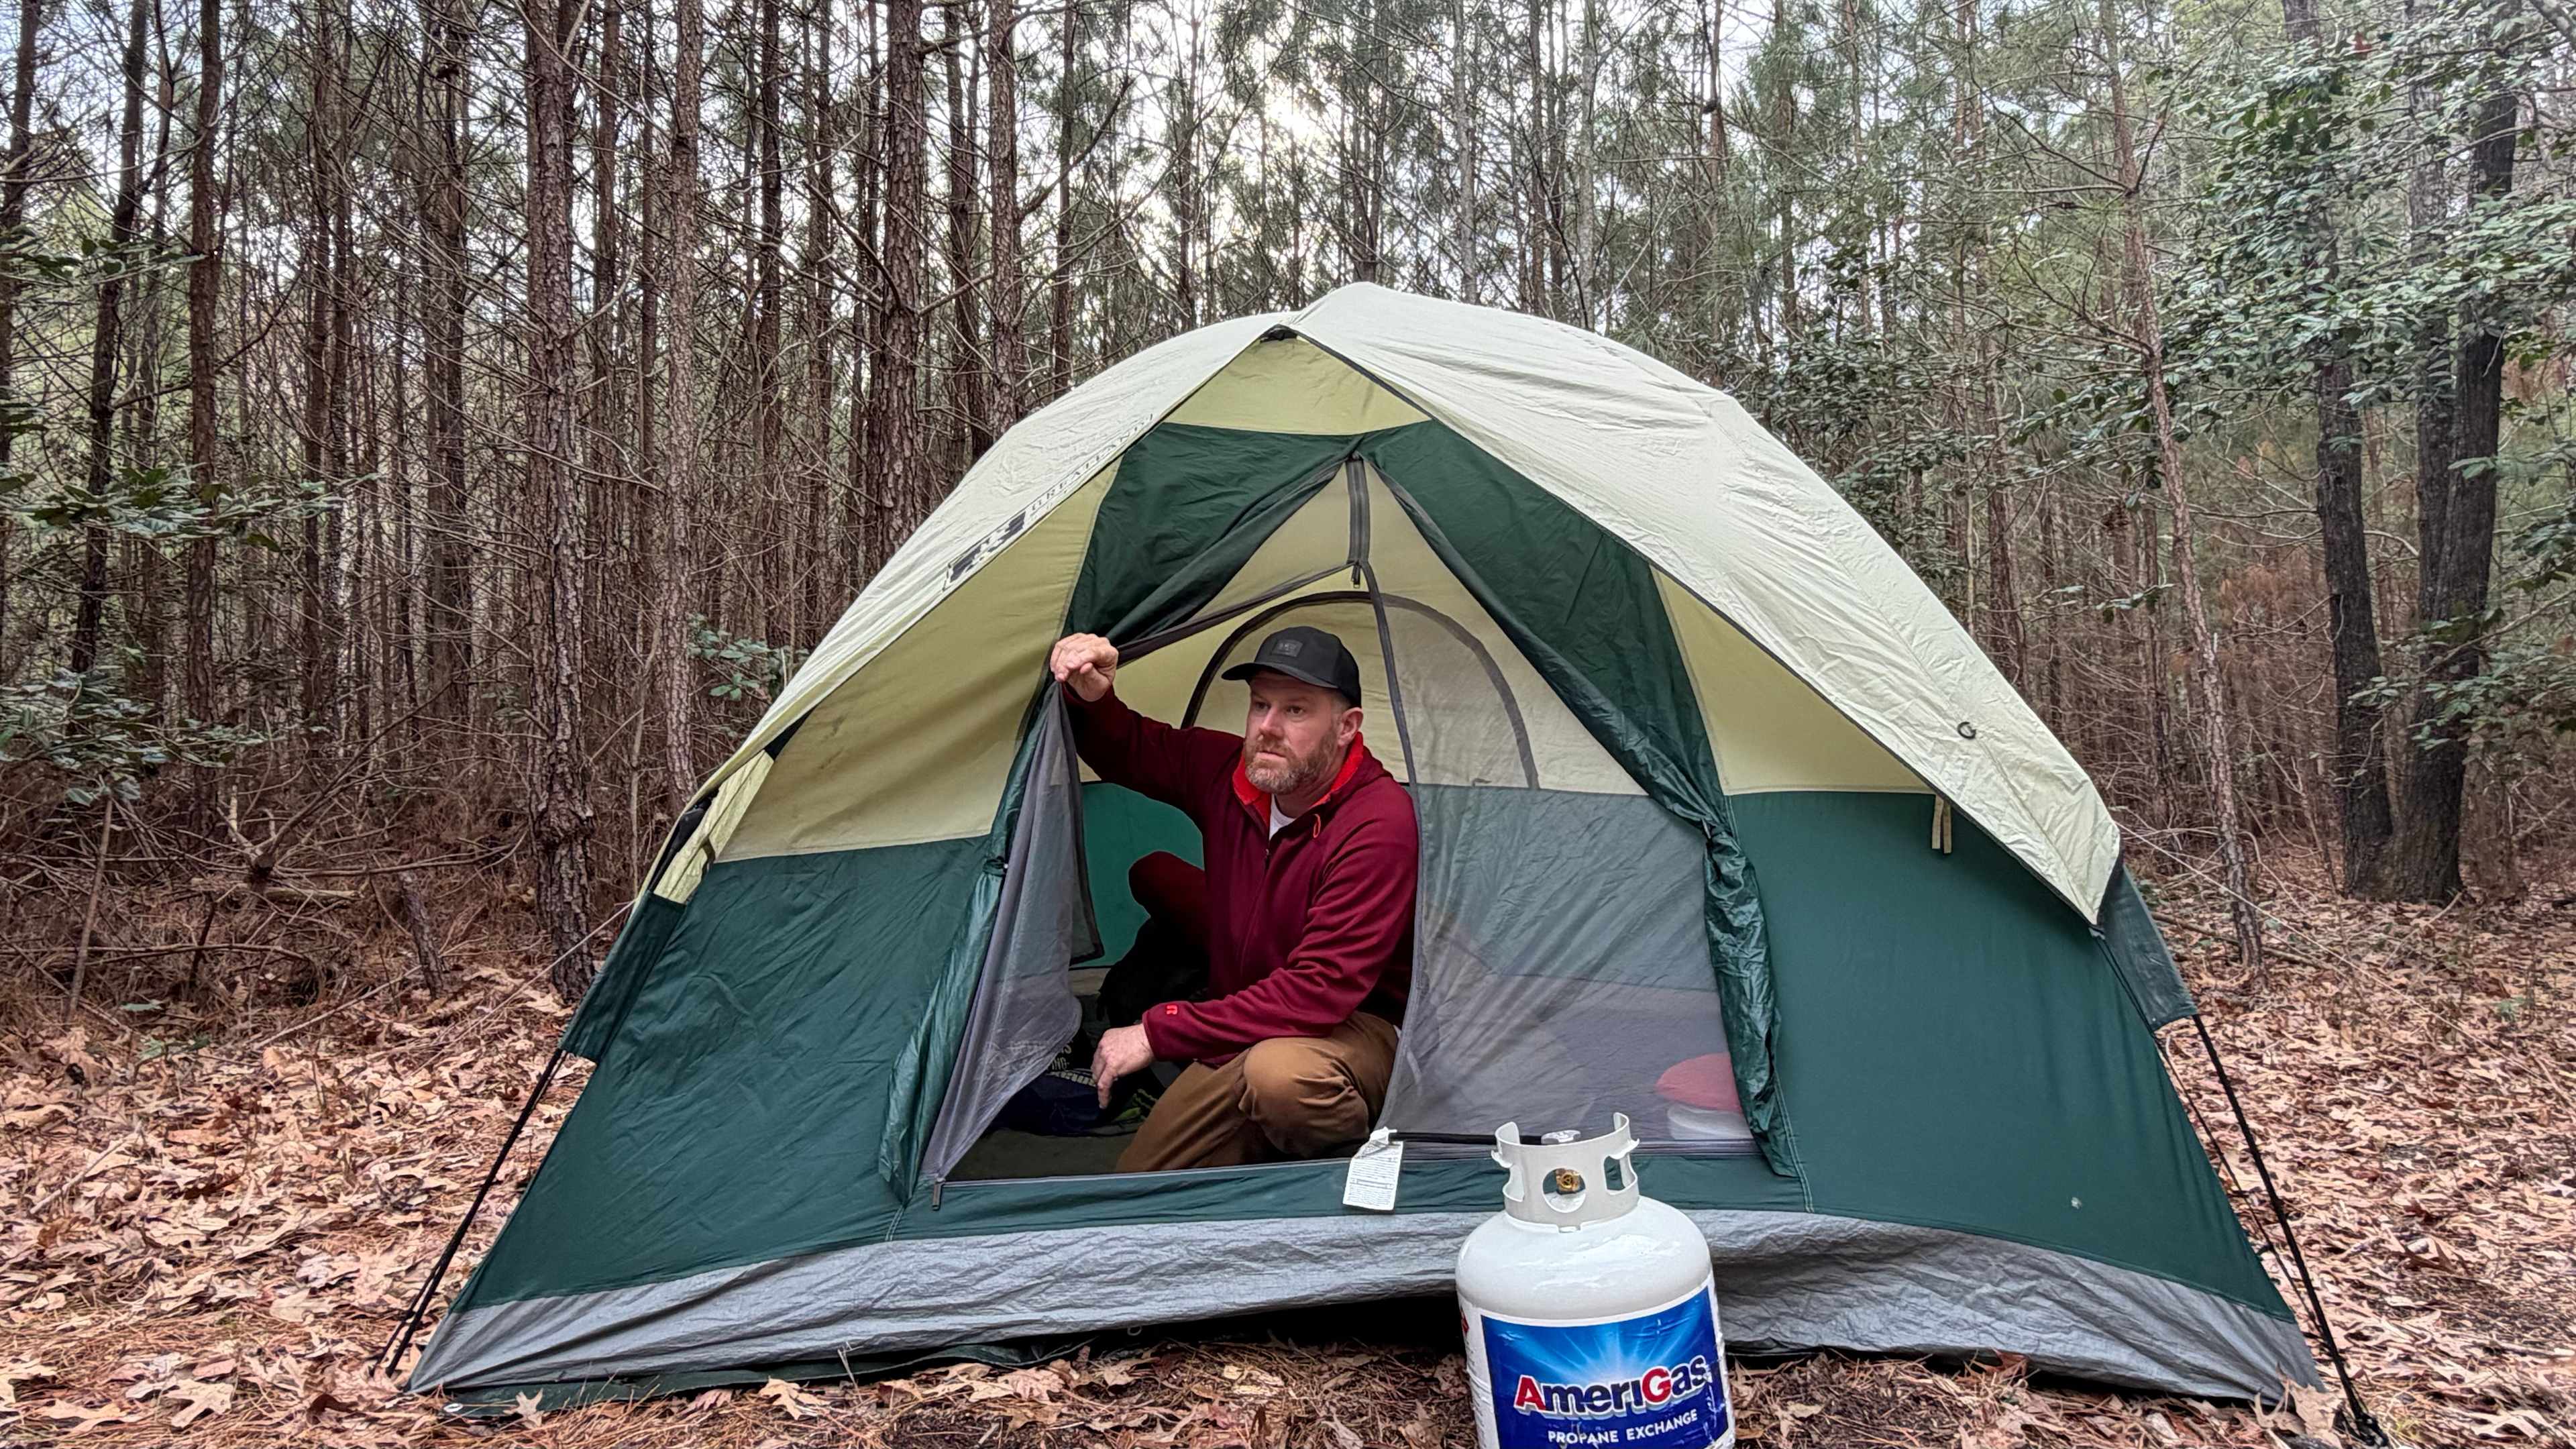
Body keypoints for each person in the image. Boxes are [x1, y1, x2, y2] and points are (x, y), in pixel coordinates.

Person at [1049, 625, 1417, 1172]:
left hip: (1355, 1029)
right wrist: (1090, 692)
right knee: (1135, 1187)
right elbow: (1127, 747)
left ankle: (1343, 1157)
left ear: (1347, 727)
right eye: (1260, 704)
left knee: (1281, 1078)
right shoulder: (1230, 774)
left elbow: (1319, 992)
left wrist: (1159, 1028)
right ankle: (1265, 1134)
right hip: (1246, 1023)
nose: (1268, 728)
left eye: (1296, 711)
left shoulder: (1378, 822)